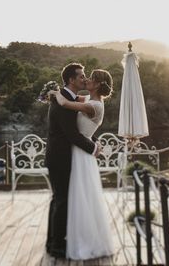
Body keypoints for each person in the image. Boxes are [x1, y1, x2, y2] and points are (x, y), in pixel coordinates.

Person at [49, 69, 116, 260]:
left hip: (81, 155)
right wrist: (94, 142)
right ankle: (66, 239)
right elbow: (83, 128)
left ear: (98, 85)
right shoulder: (88, 102)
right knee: (76, 198)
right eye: (84, 76)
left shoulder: (93, 105)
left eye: (91, 78)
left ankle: (81, 240)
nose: (87, 79)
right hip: (77, 154)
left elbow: (65, 103)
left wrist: (56, 94)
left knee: (81, 197)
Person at [45, 63, 100, 258]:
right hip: (60, 158)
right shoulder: (63, 101)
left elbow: (80, 129)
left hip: (60, 156)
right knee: (62, 200)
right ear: (71, 80)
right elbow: (71, 134)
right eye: (81, 76)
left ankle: (52, 242)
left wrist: (92, 139)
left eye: (85, 76)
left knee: (58, 199)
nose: (84, 79)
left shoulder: (67, 97)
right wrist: (93, 148)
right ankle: (58, 245)